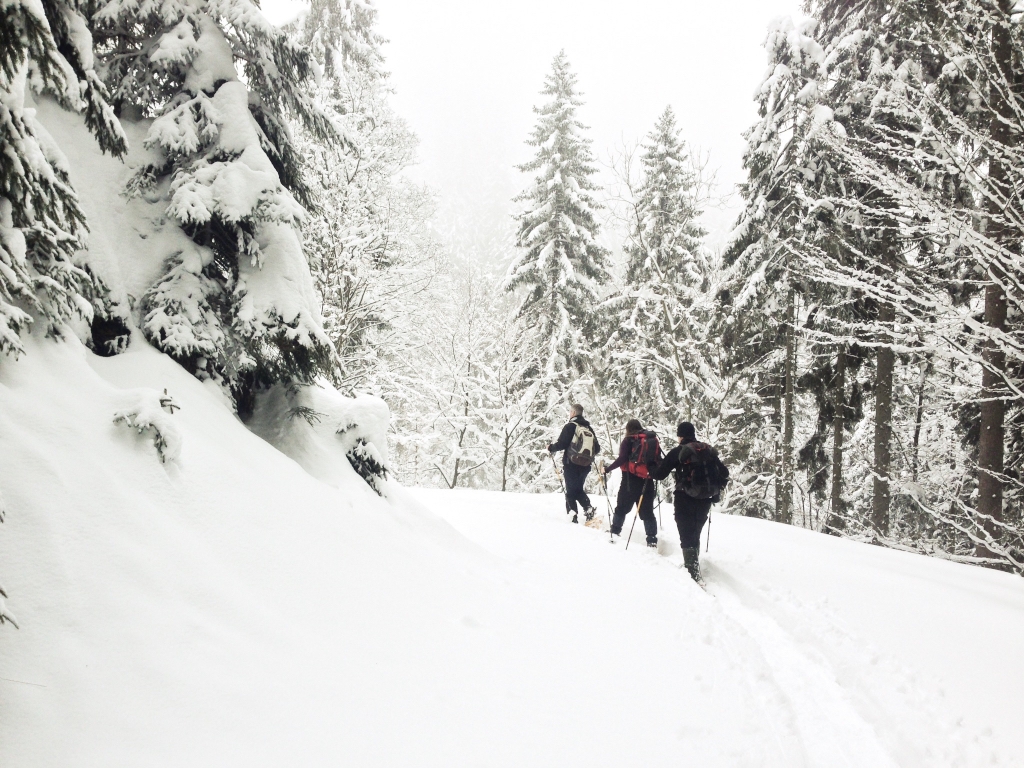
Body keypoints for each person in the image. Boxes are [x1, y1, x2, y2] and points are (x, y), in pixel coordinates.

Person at [651, 421, 729, 584]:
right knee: (695, 531)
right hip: (705, 498)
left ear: (680, 436)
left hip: (685, 497)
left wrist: (652, 465)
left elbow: (659, 474)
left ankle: (692, 573)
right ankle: (692, 565)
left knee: (686, 533)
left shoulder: (679, 451)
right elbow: (724, 472)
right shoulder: (706, 450)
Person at [602, 419, 659, 548]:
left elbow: (622, 458)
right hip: (647, 481)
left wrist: (607, 469)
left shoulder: (628, 440)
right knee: (647, 512)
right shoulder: (651, 441)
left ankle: (615, 531)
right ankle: (652, 540)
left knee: (622, 507)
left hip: (630, 480)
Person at [548, 404, 601, 523]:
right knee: (577, 489)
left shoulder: (570, 426)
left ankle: (573, 516)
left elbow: (561, 444)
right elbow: (597, 448)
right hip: (585, 465)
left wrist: (551, 447)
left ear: (573, 413)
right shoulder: (589, 428)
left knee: (571, 491)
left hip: (571, 463)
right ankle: (588, 509)